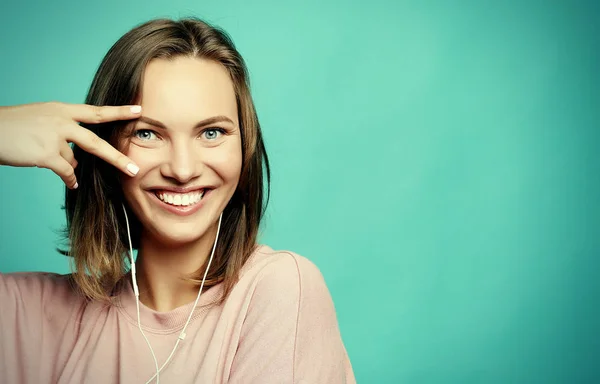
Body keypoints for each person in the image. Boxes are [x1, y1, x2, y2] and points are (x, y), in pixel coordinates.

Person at [0, 17, 356, 384]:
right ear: (102, 147)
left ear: (243, 146)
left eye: (211, 132)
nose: (183, 170)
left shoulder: (279, 290)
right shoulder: (35, 316)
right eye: (148, 133)